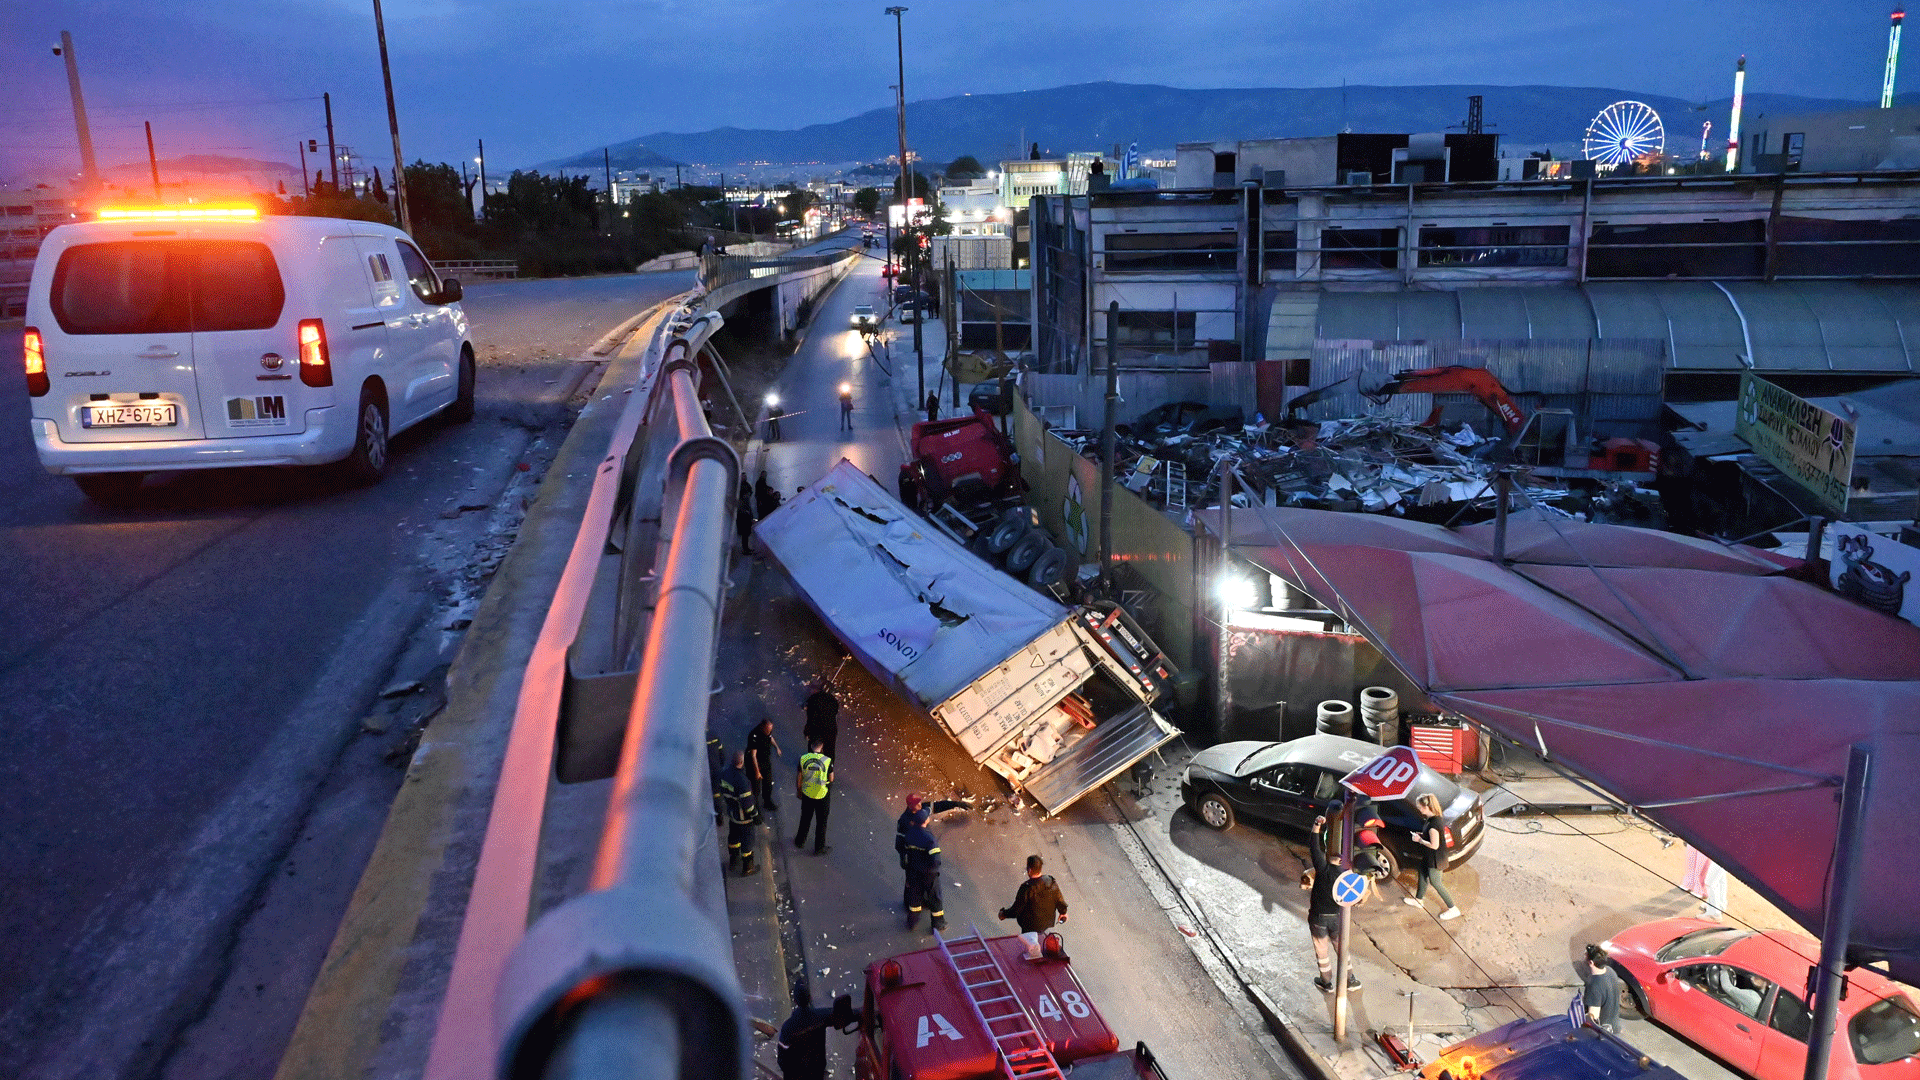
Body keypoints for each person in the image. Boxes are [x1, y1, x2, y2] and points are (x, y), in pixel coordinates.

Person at [1304, 814, 1364, 991]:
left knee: (1322, 952)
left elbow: (1313, 846)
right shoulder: (1348, 875)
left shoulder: (1322, 870)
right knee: (1342, 949)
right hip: (1338, 917)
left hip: (1318, 918)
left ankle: (1326, 981)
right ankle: (1350, 980)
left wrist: (1316, 825)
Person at [1405, 792, 1462, 920]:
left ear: (1426, 807)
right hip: (1429, 856)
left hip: (1435, 859)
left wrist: (1419, 840)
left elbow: (1434, 845)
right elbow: (1431, 836)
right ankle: (1419, 900)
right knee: (1422, 874)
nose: (1419, 809)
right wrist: (1421, 834)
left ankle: (1453, 909)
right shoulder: (1433, 819)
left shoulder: (1433, 826)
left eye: (1420, 807)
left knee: (1436, 883)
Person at [999, 854, 1070, 934]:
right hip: (1046, 923)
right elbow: (1059, 900)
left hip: (1029, 926)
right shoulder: (1050, 882)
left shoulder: (1026, 888)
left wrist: (1004, 914)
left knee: (1029, 940)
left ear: (1029, 870)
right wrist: (1063, 913)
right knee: (1039, 936)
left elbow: (1016, 910)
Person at [902, 813, 946, 932]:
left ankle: (912, 922)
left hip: (913, 873)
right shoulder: (929, 839)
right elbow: (936, 861)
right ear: (925, 821)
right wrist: (933, 873)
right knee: (935, 899)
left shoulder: (909, 834)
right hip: (928, 875)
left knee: (915, 898)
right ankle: (938, 924)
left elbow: (905, 853)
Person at [719, 751, 760, 876]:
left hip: (732, 815)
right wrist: (755, 815)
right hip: (744, 818)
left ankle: (734, 861)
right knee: (747, 841)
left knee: (734, 838)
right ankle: (748, 868)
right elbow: (747, 804)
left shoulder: (725, 774)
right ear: (741, 762)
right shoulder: (742, 781)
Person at [792, 737, 833, 856]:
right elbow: (831, 778)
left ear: (811, 747)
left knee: (805, 818)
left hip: (807, 793)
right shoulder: (827, 760)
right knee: (821, 822)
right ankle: (819, 848)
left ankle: (800, 841)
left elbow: (799, 776)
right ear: (822, 748)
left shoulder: (803, 758)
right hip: (822, 794)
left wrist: (799, 789)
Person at [1582, 944, 1623, 1033]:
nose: (1583, 957)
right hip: (1614, 1025)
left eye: (1585, 956)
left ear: (1591, 963)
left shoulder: (1594, 985)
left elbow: (1594, 1017)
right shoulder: (1610, 971)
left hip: (1604, 1032)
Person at [1683, 844, 1729, 920]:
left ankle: (1714, 914)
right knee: (1720, 878)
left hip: (1726, 851)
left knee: (1710, 882)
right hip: (1726, 851)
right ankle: (1720, 905)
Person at [746, 718, 780, 813]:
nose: (769, 732)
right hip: (756, 763)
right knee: (756, 788)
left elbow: (770, 737)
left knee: (768, 784)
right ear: (762, 726)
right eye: (768, 729)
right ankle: (755, 806)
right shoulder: (754, 735)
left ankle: (767, 802)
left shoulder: (767, 731)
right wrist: (757, 772)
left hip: (766, 761)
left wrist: (776, 747)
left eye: (770, 730)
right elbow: (753, 756)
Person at [707, 732, 727, 825]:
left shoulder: (697, 737)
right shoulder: (715, 736)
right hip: (716, 769)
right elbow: (721, 755)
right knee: (716, 794)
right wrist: (720, 764)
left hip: (705, 770)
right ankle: (719, 817)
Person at [735, 478, 757, 554]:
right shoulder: (742, 502)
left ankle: (746, 548)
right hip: (744, 521)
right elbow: (743, 511)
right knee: (745, 536)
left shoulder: (745, 501)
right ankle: (745, 549)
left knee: (746, 536)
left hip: (746, 521)